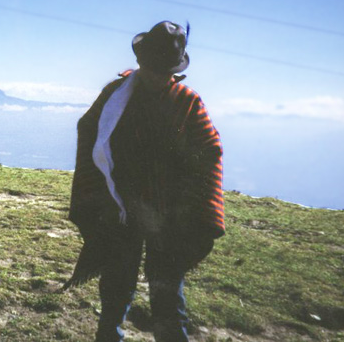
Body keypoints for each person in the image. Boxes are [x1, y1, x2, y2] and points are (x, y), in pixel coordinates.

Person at [65, 21, 224, 342]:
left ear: (174, 70)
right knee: (115, 286)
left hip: (170, 216)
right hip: (119, 206)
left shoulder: (187, 102)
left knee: (167, 295)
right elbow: (89, 130)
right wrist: (99, 192)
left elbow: (209, 153)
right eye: (152, 68)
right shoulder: (115, 95)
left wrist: (187, 208)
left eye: (164, 70)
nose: (157, 76)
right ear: (140, 62)